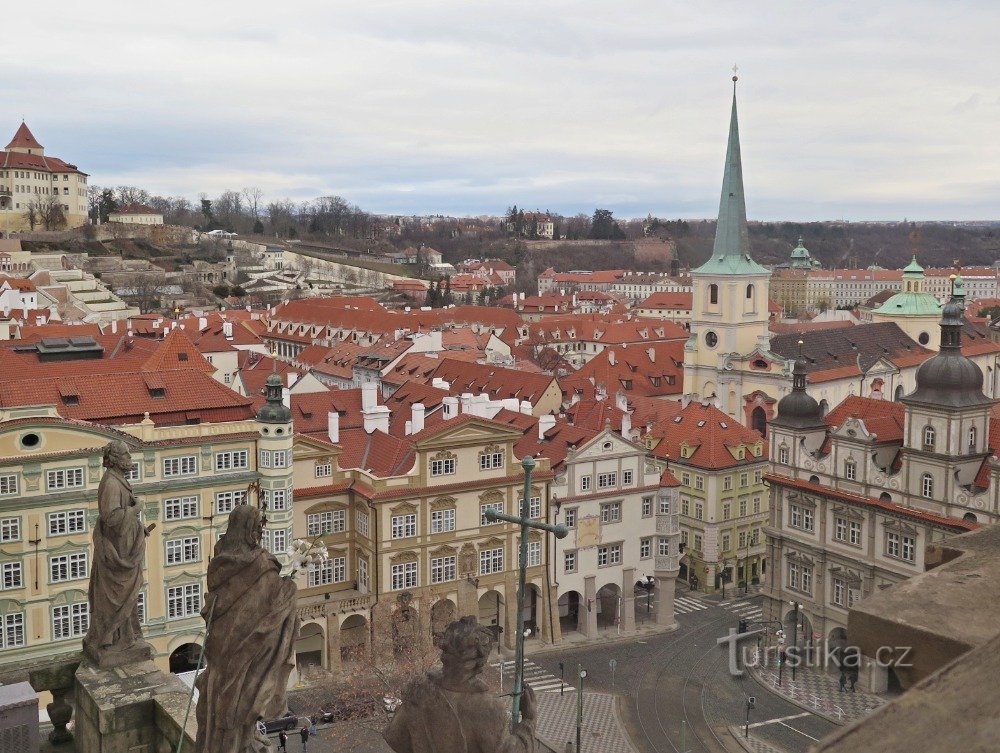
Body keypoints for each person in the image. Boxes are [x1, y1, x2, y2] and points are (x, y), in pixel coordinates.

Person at [194, 504, 299, 753]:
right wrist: (289, 590)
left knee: (221, 696)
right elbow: (268, 602)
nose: (261, 532)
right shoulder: (260, 563)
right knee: (242, 697)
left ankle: (222, 744)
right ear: (251, 530)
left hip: (221, 645)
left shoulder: (220, 562)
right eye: (259, 527)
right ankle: (240, 743)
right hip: (245, 648)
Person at [384, 615, 537, 753]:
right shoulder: (488, 708)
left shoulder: (420, 690)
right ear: (480, 661)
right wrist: (529, 720)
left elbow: (396, 738)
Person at [83, 441, 153, 664]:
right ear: (115, 460)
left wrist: (139, 528)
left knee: (125, 597)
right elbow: (111, 518)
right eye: (126, 456)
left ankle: (124, 637)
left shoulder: (118, 479)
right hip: (118, 554)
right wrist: (136, 509)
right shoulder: (112, 484)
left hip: (124, 546)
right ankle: (112, 639)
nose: (130, 459)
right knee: (119, 596)